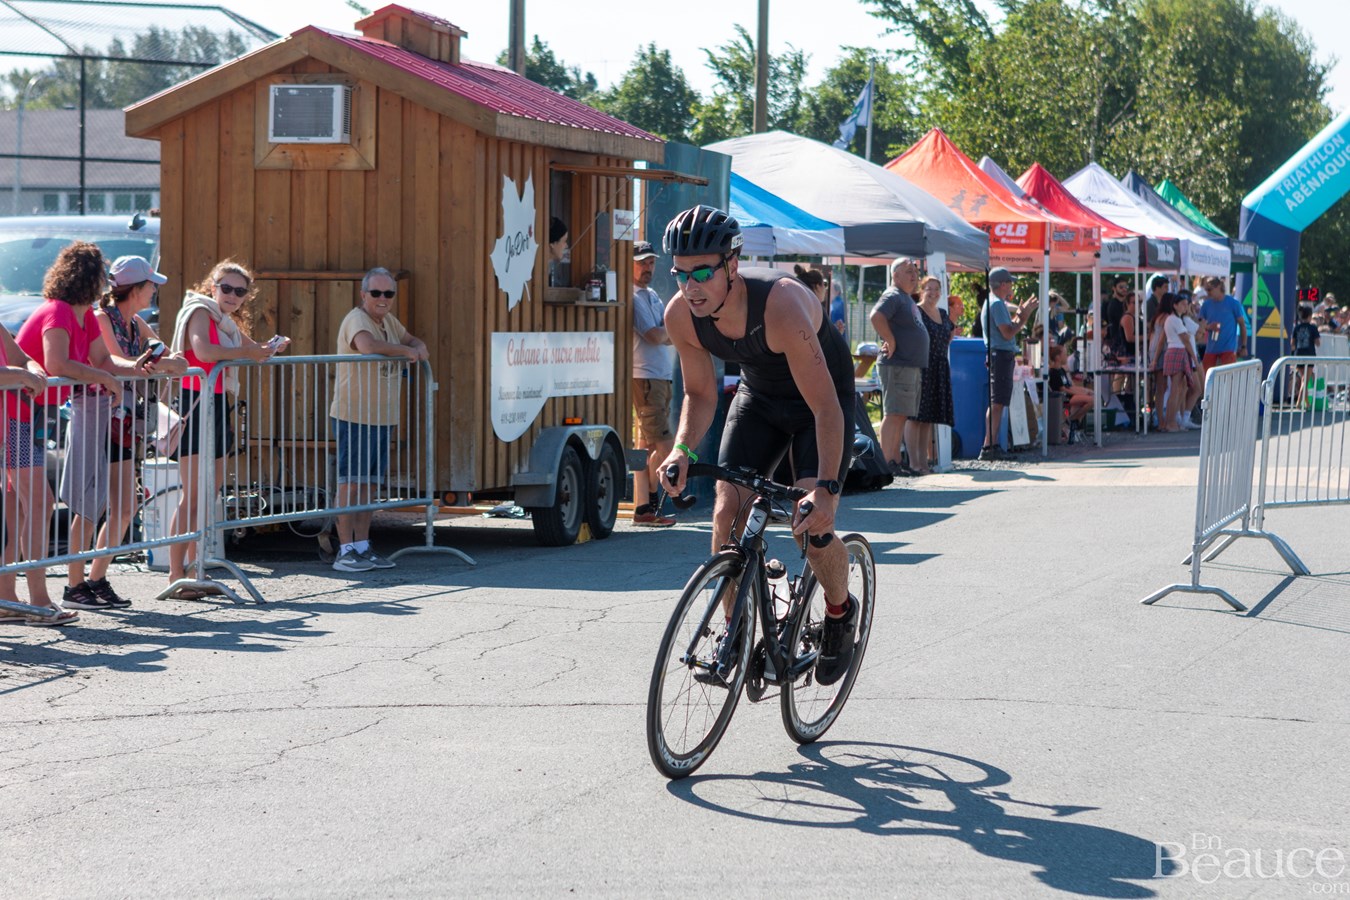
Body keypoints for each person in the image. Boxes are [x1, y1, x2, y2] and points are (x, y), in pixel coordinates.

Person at [657, 205, 858, 686]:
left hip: (819, 404)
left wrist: (826, 491)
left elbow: (827, 409)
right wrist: (682, 450)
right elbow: (701, 394)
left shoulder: (782, 305)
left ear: (732, 264)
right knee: (726, 511)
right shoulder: (681, 315)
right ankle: (736, 631)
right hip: (760, 400)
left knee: (810, 527)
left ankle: (838, 610)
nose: (691, 286)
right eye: (681, 274)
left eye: (702, 272)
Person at [16, 241, 152, 612]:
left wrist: (139, 368)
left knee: (28, 506)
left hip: (35, 413)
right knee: (29, 506)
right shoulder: (58, 311)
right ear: (90, 278)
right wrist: (102, 377)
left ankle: (27, 597)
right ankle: (33, 597)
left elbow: (104, 360)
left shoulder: (85, 314)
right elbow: (56, 363)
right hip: (18, 411)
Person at [166, 260, 288, 592]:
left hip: (217, 404)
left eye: (240, 291)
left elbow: (252, 352)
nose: (232, 295)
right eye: (226, 288)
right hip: (195, 401)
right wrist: (251, 352)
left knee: (209, 495)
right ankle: (176, 573)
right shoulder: (201, 311)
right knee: (191, 496)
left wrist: (270, 348)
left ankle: (196, 569)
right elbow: (203, 351)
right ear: (212, 286)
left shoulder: (226, 322)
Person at [89, 256, 188, 603]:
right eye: (151, 284)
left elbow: (175, 359)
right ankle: (78, 584)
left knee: (125, 507)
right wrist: (148, 364)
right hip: (100, 419)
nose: (155, 290)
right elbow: (117, 364)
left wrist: (153, 363)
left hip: (127, 425)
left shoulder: (137, 322)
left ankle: (95, 578)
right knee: (89, 508)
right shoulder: (104, 318)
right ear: (135, 288)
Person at [330, 267, 428, 572]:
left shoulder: (387, 321)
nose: (382, 299)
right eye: (376, 293)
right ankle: (345, 550)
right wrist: (407, 352)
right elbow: (367, 346)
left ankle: (362, 545)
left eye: (389, 294)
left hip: (381, 417)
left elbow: (417, 343)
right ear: (363, 295)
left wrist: (415, 348)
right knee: (350, 484)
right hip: (355, 415)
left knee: (369, 486)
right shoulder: (357, 319)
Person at [0, 325, 76, 625]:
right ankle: (38, 600)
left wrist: (31, 369)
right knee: (36, 505)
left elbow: (23, 357)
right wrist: (20, 375)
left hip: (13, 425)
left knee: (18, 512)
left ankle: (10, 599)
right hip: (11, 428)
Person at [631, 242, 677, 527]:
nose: (648, 267)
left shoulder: (651, 295)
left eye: (650, 262)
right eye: (642, 262)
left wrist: (667, 333)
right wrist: (670, 332)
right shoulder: (634, 298)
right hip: (645, 377)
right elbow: (653, 335)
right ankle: (660, 499)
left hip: (659, 377)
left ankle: (644, 508)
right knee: (667, 446)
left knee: (645, 449)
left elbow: (667, 334)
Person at [869, 258, 929, 476]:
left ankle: (894, 460)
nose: (914, 275)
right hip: (897, 365)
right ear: (895, 276)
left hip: (908, 366)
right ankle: (886, 462)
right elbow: (876, 316)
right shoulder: (893, 295)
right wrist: (890, 340)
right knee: (894, 413)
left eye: (915, 271)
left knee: (901, 414)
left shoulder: (905, 298)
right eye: (908, 271)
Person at [978, 267, 1037, 460]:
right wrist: (1024, 317)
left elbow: (1005, 328)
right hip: (1000, 355)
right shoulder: (996, 304)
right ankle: (989, 446)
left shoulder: (995, 303)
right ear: (1003, 284)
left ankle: (991, 445)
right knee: (997, 403)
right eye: (1010, 282)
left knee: (998, 402)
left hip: (999, 355)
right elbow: (1008, 333)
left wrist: (1019, 316)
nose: (1011, 285)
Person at [912, 275, 955, 475]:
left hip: (938, 366)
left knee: (928, 417)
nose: (933, 293)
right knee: (916, 417)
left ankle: (925, 462)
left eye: (936, 289)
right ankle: (915, 462)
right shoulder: (917, 310)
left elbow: (949, 335)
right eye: (929, 289)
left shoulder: (943, 313)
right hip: (922, 366)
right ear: (922, 290)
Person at [1156, 294, 1200, 432]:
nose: (1185, 307)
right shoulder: (1175, 320)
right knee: (1175, 390)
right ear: (1175, 305)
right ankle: (1170, 422)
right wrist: (1194, 358)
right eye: (1182, 304)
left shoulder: (1172, 319)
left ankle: (1171, 421)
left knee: (1178, 389)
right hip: (1177, 352)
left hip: (1174, 351)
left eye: (1186, 304)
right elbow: (1185, 340)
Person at [1198, 276, 1248, 374]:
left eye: (1209, 289)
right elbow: (1199, 324)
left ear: (1218, 287)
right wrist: (1208, 327)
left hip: (1228, 349)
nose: (1207, 292)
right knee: (1206, 379)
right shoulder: (1206, 304)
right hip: (1211, 349)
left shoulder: (1233, 303)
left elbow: (1242, 325)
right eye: (1206, 290)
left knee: (1227, 379)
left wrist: (1243, 346)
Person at [1290, 304, 1321, 407]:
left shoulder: (1297, 328)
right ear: (1310, 316)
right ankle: (1298, 403)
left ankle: (1307, 403)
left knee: (1304, 379)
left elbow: (1292, 343)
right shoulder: (1313, 328)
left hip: (1298, 354)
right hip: (1309, 355)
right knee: (1305, 380)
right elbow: (1317, 343)